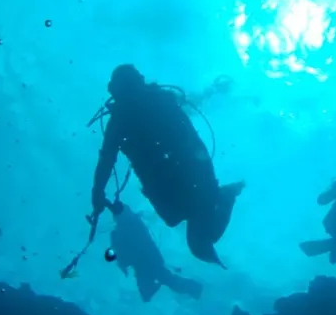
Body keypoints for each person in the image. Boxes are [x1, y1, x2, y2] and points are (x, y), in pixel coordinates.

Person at [89, 64, 244, 265]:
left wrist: (98, 192)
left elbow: (106, 159)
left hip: (182, 177)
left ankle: (227, 195)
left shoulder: (125, 117)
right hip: (189, 174)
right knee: (193, 231)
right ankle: (226, 195)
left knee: (195, 233)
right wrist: (98, 192)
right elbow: (106, 158)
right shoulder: (159, 101)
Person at [107, 199, 203, 303]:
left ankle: (195, 287)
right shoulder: (131, 224)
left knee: (164, 282)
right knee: (159, 285)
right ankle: (194, 287)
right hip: (146, 262)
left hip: (148, 262)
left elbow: (123, 249)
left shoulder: (128, 227)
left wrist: (122, 262)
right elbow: (121, 250)